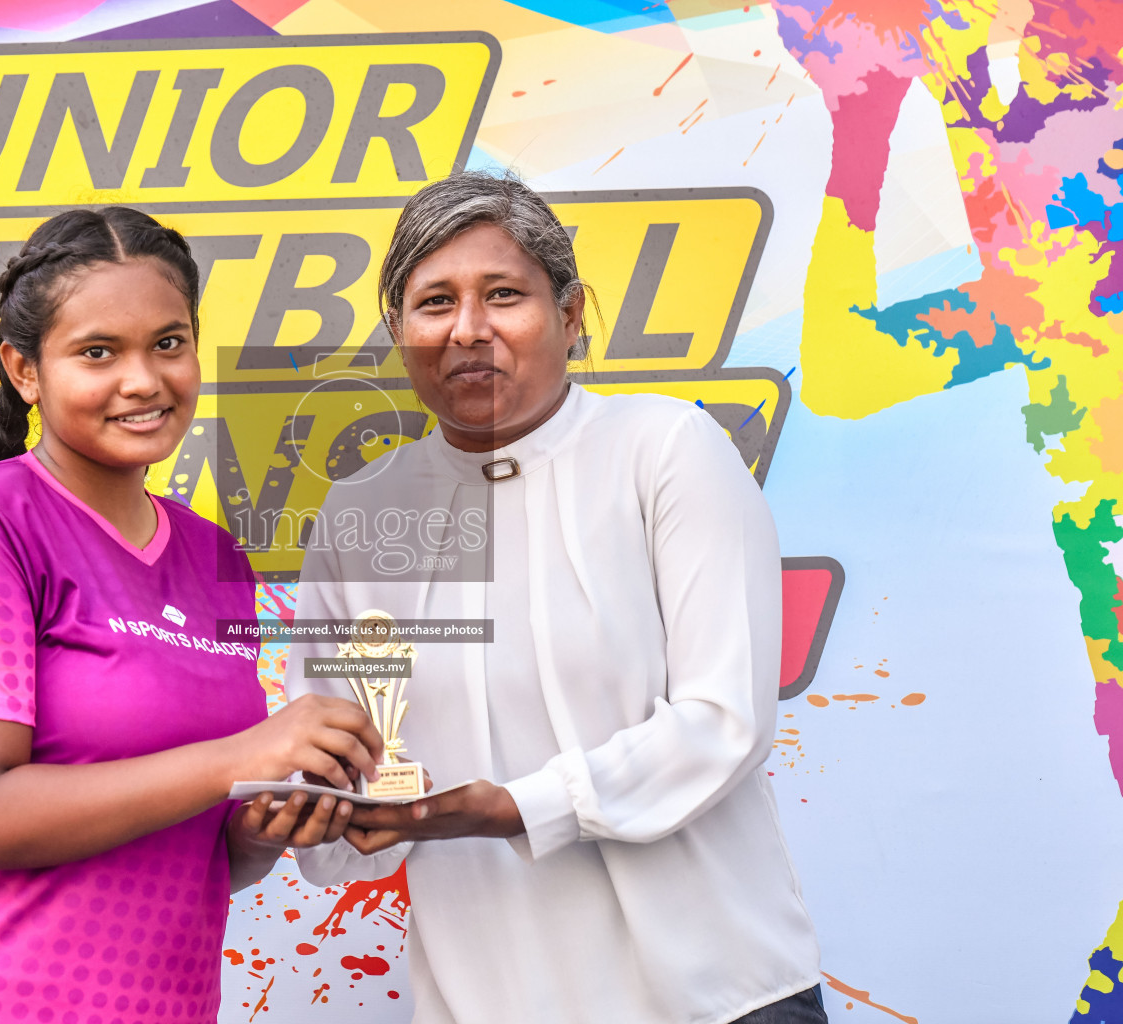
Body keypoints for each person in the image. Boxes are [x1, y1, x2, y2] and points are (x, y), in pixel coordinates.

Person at [286, 173, 826, 1024]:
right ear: (398, 332)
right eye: (434, 303)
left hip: (714, 994)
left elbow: (724, 720)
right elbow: (334, 749)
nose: (469, 330)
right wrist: (332, 811)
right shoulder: (361, 515)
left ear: (570, 314)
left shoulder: (663, 449)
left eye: (503, 294)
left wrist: (515, 808)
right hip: (488, 999)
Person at [0, 207, 383, 1024]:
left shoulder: (217, 562)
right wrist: (238, 755)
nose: (144, 380)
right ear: (24, 370)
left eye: (168, 344)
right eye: (98, 352)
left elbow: (193, 849)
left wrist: (261, 826)